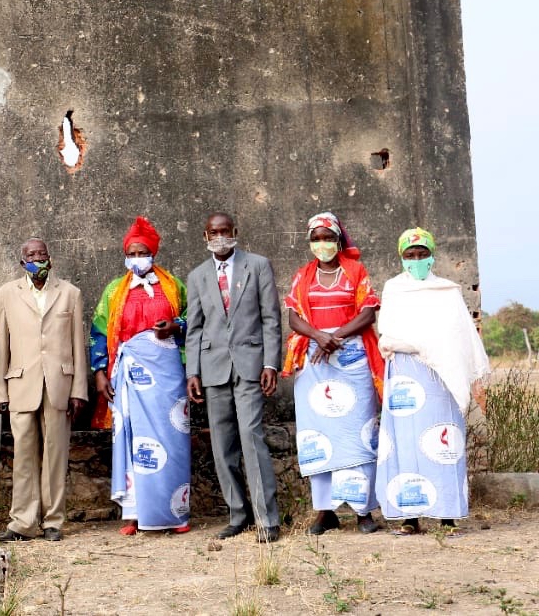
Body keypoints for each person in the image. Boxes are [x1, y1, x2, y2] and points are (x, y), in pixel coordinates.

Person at [375, 227, 490, 536]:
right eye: (410, 255)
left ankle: (447, 517)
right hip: (405, 373)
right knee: (407, 445)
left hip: (442, 376)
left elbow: (462, 336)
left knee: (445, 442)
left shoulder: (447, 291)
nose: (416, 260)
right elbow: (388, 331)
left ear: (432, 256)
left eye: (422, 254)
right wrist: (416, 342)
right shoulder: (394, 289)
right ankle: (410, 518)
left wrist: (472, 374)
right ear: (401, 258)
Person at [184, 212, 283, 542]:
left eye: (225, 231)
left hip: (250, 365)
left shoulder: (257, 266)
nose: (220, 237)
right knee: (221, 444)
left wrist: (271, 364)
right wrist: (193, 372)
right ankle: (237, 514)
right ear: (205, 235)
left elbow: (271, 318)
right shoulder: (197, 276)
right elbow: (195, 328)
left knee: (252, 437)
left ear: (235, 232)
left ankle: (267, 519)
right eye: (214, 232)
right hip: (213, 368)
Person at [283, 213, 384, 535]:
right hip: (315, 361)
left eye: (328, 237)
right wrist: (318, 336)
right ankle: (325, 511)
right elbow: (293, 318)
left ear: (339, 240)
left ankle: (363, 511)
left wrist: (335, 337)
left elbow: (368, 312)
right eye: (316, 238)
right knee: (319, 434)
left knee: (358, 433)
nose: (322, 244)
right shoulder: (303, 275)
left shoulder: (355, 271)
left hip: (352, 359)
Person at [89, 218, 190, 535]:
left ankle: (174, 513)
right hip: (129, 378)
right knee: (132, 443)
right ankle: (134, 514)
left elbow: (192, 318)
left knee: (170, 440)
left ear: (153, 253)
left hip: (168, 379)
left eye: (142, 252)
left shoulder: (173, 287)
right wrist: (100, 373)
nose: (136, 258)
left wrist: (177, 326)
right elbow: (99, 331)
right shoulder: (113, 292)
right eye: (131, 253)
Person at [0, 238, 86, 541]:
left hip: (59, 383)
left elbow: (77, 346)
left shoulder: (70, 293)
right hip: (20, 383)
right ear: (22, 263)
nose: (37, 259)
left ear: (51, 259)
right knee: (23, 455)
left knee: (55, 453)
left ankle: (53, 522)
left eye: (42, 254)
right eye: (31, 255)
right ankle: (22, 522)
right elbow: (1, 346)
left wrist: (79, 390)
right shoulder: (6, 294)